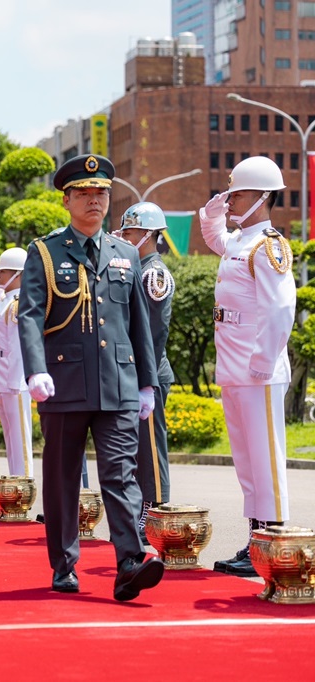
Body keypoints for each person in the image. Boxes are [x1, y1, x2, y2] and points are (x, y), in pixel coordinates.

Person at [17, 153, 164, 602]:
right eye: (84, 193)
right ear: (66, 200)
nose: (94, 201)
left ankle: (128, 562)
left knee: (121, 475)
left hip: (118, 383)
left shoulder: (125, 254)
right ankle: (64, 563)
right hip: (64, 382)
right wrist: (35, 369)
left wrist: (147, 381)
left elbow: (139, 322)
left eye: (101, 193)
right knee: (63, 478)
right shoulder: (44, 252)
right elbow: (29, 316)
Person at [198, 156, 296, 577]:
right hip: (234, 368)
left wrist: (262, 361)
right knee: (246, 462)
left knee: (266, 459)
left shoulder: (267, 245)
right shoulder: (239, 242)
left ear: (261, 198)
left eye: (237, 194)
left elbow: (280, 310)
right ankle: (255, 544)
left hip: (259, 371)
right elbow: (213, 235)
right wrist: (215, 211)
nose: (231, 199)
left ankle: (273, 542)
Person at [115, 202, 175, 544]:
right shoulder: (136, 269)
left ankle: (153, 510)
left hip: (146, 373)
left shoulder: (153, 274)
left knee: (150, 447)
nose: (124, 237)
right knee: (135, 447)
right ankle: (140, 510)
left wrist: (143, 379)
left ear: (149, 235)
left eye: (130, 232)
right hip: (133, 371)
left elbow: (152, 333)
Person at [0, 248, 34, 477]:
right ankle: (14, 485)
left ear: (18, 274)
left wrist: (17, 382)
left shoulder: (18, 303)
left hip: (14, 381)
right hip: (2, 378)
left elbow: (17, 346)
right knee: (10, 436)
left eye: (3, 271)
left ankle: (24, 486)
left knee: (20, 438)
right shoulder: (7, 301)